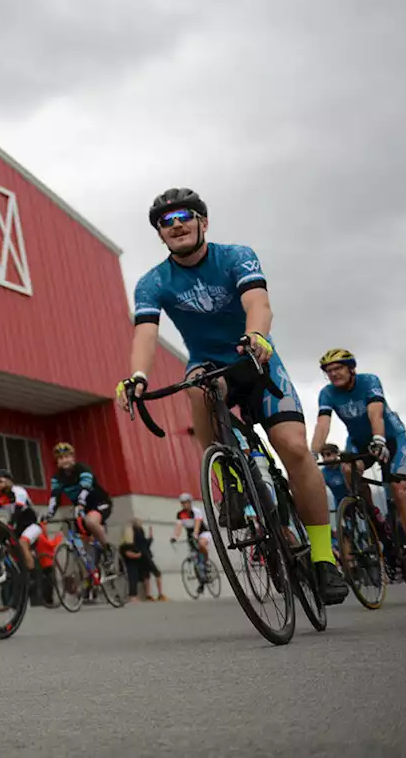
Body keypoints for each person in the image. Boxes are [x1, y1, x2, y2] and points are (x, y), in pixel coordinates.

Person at [117, 188, 348, 604]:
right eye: (165, 222)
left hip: (255, 359)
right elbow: (146, 333)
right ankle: (227, 479)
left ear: (203, 222)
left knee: (293, 448)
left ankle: (323, 557)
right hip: (209, 366)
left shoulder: (235, 255)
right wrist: (136, 375)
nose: (176, 225)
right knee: (196, 387)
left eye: (184, 216)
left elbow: (258, 301)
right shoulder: (152, 282)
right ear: (160, 234)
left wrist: (257, 333)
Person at [310, 348, 406, 579]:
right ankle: (372, 515)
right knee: (348, 469)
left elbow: (375, 414)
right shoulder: (327, 393)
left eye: (338, 368)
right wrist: (312, 454)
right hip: (359, 443)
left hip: (389, 438)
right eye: (329, 371)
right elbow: (323, 425)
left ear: (351, 369)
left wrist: (379, 439)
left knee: (400, 491)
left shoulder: (369, 381)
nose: (334, 374)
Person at [42, 442, 115, 566]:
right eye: (60, 458)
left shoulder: (82, 469)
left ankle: (107, 550)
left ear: (72, 457)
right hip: (81, 508)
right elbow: (55, 497)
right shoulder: (57, 478)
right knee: (79, 539)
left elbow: (85, 487)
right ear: (57, 461)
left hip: (99, 502)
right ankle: (91, 569)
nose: (64, 460)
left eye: (66, 457)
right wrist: (49, 514)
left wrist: (80, 504)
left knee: (91, 522)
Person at [169, 492, 211, 596]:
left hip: (202, 533)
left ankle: (206, 561)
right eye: (182, 503)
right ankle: (201, 582)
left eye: (186, 502)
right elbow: (178, 527)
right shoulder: (180, 514)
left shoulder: (196, 511)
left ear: (190, 502)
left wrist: (196, 533)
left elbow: (197, 523)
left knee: (201, 545)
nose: (184, 505)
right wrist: (175, 537)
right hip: (190, 536)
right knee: (195, 560)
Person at [120, 518, 165, 601]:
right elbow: (144, 544)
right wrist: (151, 538)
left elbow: (126, 549)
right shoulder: (139, 531)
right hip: (144, 556)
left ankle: (145, 595)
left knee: (142, 576)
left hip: (136, 557)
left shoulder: (129, 535)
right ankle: (160, 594)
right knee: (156, 573)